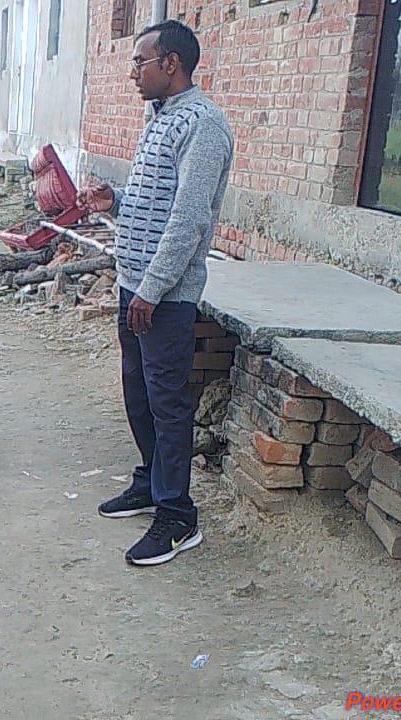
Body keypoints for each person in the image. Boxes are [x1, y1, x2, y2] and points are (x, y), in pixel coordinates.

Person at [77, 20, 233, 567]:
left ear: (171, 63)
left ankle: (177, 515)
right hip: (135, 284)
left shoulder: (204, 125)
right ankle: (150, 482)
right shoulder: (161, 115)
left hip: (164, 295)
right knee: (138, 392)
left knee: (167, 402)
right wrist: (116, 200)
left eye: (139, 61)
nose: (133, 72)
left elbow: (189, 219)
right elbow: (157, 199)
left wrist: (153, 290)